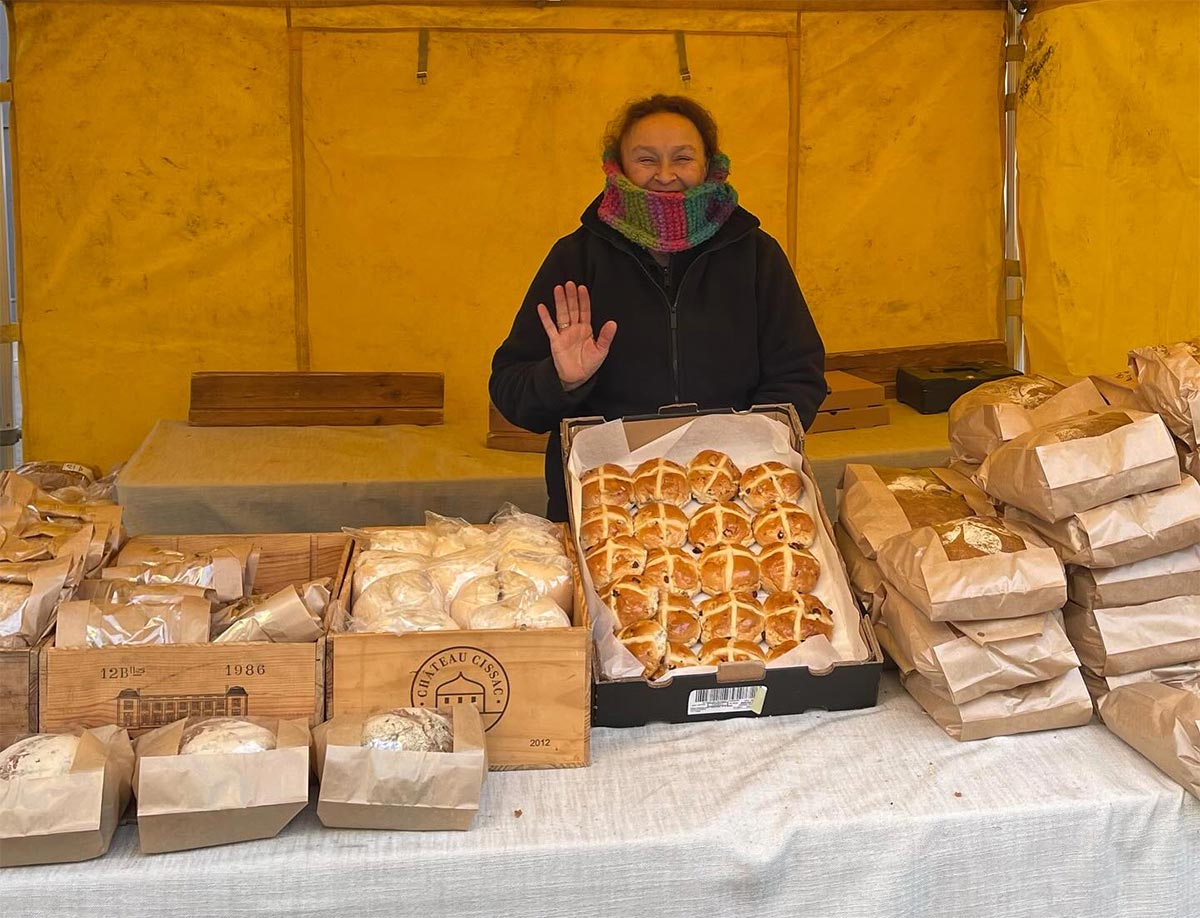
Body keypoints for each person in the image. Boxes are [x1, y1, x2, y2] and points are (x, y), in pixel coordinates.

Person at [489, 94, 826, 522]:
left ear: (709, 166)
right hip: (606, 503)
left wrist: (742, 451)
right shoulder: (575, 259)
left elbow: (799, 374)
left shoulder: (756, 255)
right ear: (619, 167)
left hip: (734, 499)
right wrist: (560, 380)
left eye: (682, 158)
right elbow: (511, 391)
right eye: (646, 159)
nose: (665, 175)